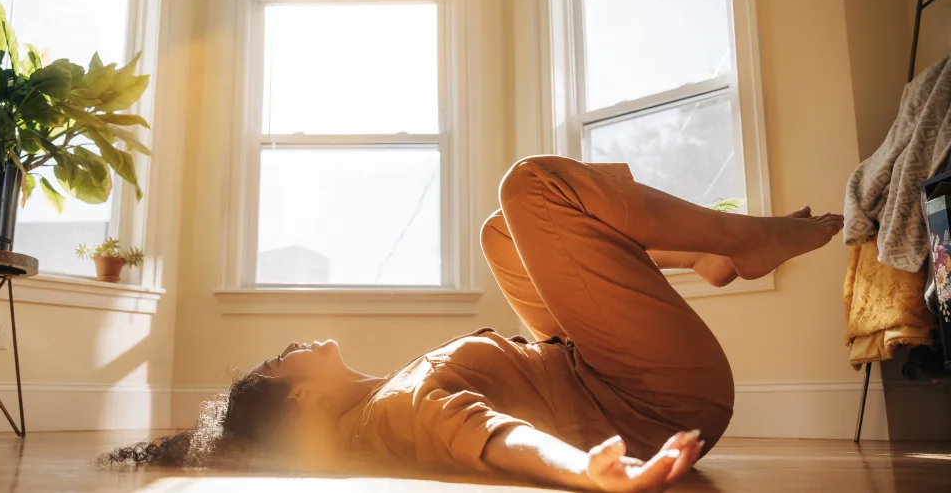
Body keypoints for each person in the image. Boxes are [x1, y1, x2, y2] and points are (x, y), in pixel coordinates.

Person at [108, 157, 842, 491]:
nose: (291, 345)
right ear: (296, 398)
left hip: (592, 370)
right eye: (279, 360)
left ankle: (703, 255)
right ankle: (738, 239)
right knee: (532, 187)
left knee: (501, 230)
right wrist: (586, 472)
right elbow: (491, 438)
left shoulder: (382, 395)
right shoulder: (397, 413)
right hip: (653, 397)